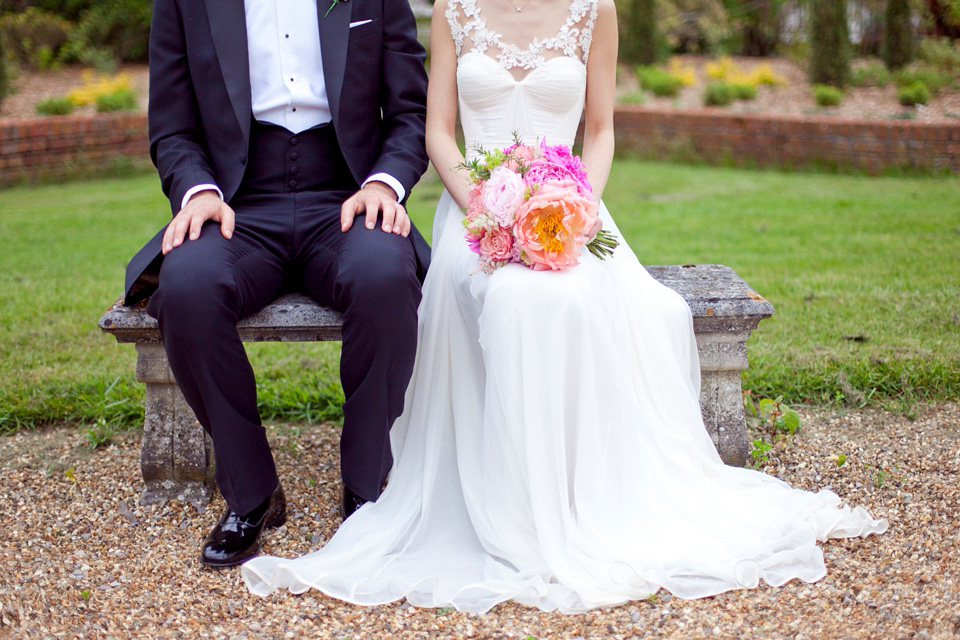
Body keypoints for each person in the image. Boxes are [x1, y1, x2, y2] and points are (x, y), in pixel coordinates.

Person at [241, 0, 886, 613]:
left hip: (570, 213)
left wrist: (575, 210)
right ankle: (516, 514)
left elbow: (600, 132)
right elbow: (437, 134)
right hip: (473, 216)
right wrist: (490, 213)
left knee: (567, 293)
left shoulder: (593, 9)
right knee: (515, 297)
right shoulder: (454, 9)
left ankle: (574, 501)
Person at [123, 0, 430, 567]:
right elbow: (171, 127)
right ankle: (252, 492)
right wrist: (198, 191)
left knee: (386, 276)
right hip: (237, 203)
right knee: (186, 287)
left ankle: (367, 490)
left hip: (347, 197)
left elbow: (411, 110)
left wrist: (385, 185)